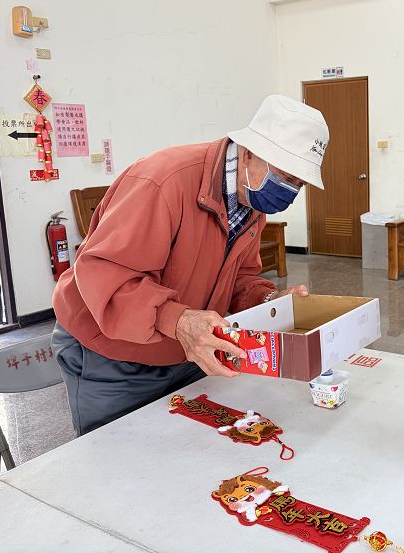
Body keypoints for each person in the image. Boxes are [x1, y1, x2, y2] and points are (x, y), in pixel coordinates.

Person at [52, 95, 329, 435]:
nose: (289, 191)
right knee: (119, 456)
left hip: (185, 348)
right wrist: (179, 320)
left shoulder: (251, 201)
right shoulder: (162, 181)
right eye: (285, 176)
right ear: (248, 152)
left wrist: (269, 300)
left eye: (299, 184)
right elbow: (107, 276)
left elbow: (240, 276)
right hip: (111, 352)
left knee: (190, 450)